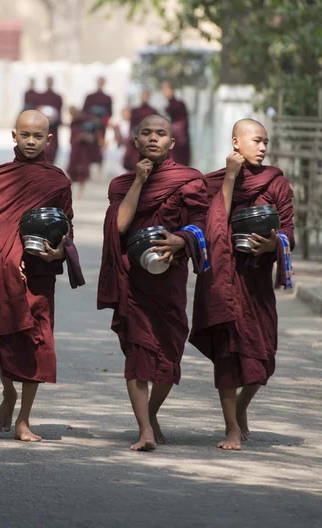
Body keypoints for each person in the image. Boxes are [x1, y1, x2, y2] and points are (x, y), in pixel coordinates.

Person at [98, 114, 209, 451]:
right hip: (135, 281)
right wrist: (138, 182)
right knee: (138, 354)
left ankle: (152, 413)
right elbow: (119, 226)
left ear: (172, 142)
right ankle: (145, 429)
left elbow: (203, 223)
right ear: (135, 141)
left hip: (169, 279)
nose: (153, 138)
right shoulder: (121, 184)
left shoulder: (189, 180)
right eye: (146, 133)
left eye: (161, 133)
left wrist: (181, 240)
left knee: (171, 354)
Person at [0, 110, 84, 442]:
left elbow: (67, 227)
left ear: (49, 139)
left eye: (38, 137)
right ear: (14, 136)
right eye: (25, 135)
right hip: (3, 270)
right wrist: (9, 256)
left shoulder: (57, 180)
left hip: (38, 272)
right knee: (2, 333)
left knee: (38, 341)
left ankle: (24, 419)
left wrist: (60, 251)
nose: (31, 142)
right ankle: (8, 392)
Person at [190, 118, 295, 451]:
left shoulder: (276, 183)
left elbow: (289, 230)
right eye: (256, 141)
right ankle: (231, 428)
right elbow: (210, 223)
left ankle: (242, 405)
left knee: (265, 357)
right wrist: (232, 177)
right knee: (228, 353)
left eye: (266, 142)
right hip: (225, 276)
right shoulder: (219, 180)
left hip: (258, 280)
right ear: (236, 143)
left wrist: (272, 245)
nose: (263, 147)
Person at [123, 90, 158, 171]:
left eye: (146, 95)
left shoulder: (153, 111)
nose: (144, 97)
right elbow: (132, 125)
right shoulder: (135, 110)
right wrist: (132, 136)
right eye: (143, 95)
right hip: (135, 139)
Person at [82, 77, 113, 167]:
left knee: (99, 146)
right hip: (90, 126)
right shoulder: (89, 96)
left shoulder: (107, 98)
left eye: (101, 82)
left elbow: (110, 113)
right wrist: (90, 119)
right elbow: (84, 110)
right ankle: (86, 165)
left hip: (101, 127)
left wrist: (102, 120)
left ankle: (99, 165)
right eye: (98, 82)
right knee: (89, 145)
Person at [66, 106, 93, 199]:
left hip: (83, 151)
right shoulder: (73, 123)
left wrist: (84, 137)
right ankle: (70, 190)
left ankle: (81, 192)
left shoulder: (86, 122)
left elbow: (91, 136)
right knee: (72, 171)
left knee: (82, 172)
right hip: (74, 149)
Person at [162, 82, 191, 166]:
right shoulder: (167, 107)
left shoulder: (179, 105)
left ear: (172, 90)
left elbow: (183, 123)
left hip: (179, 142)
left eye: (167, 91)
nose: (165, 94)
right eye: (164, 91)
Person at [36, 77, 63, 164]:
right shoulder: (41, 96)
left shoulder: (57, 97)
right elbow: (37, 108)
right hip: (42, 125)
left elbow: (59, 110)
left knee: (53, 144)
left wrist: (56, 119)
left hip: (53, 125)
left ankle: (51, 163)